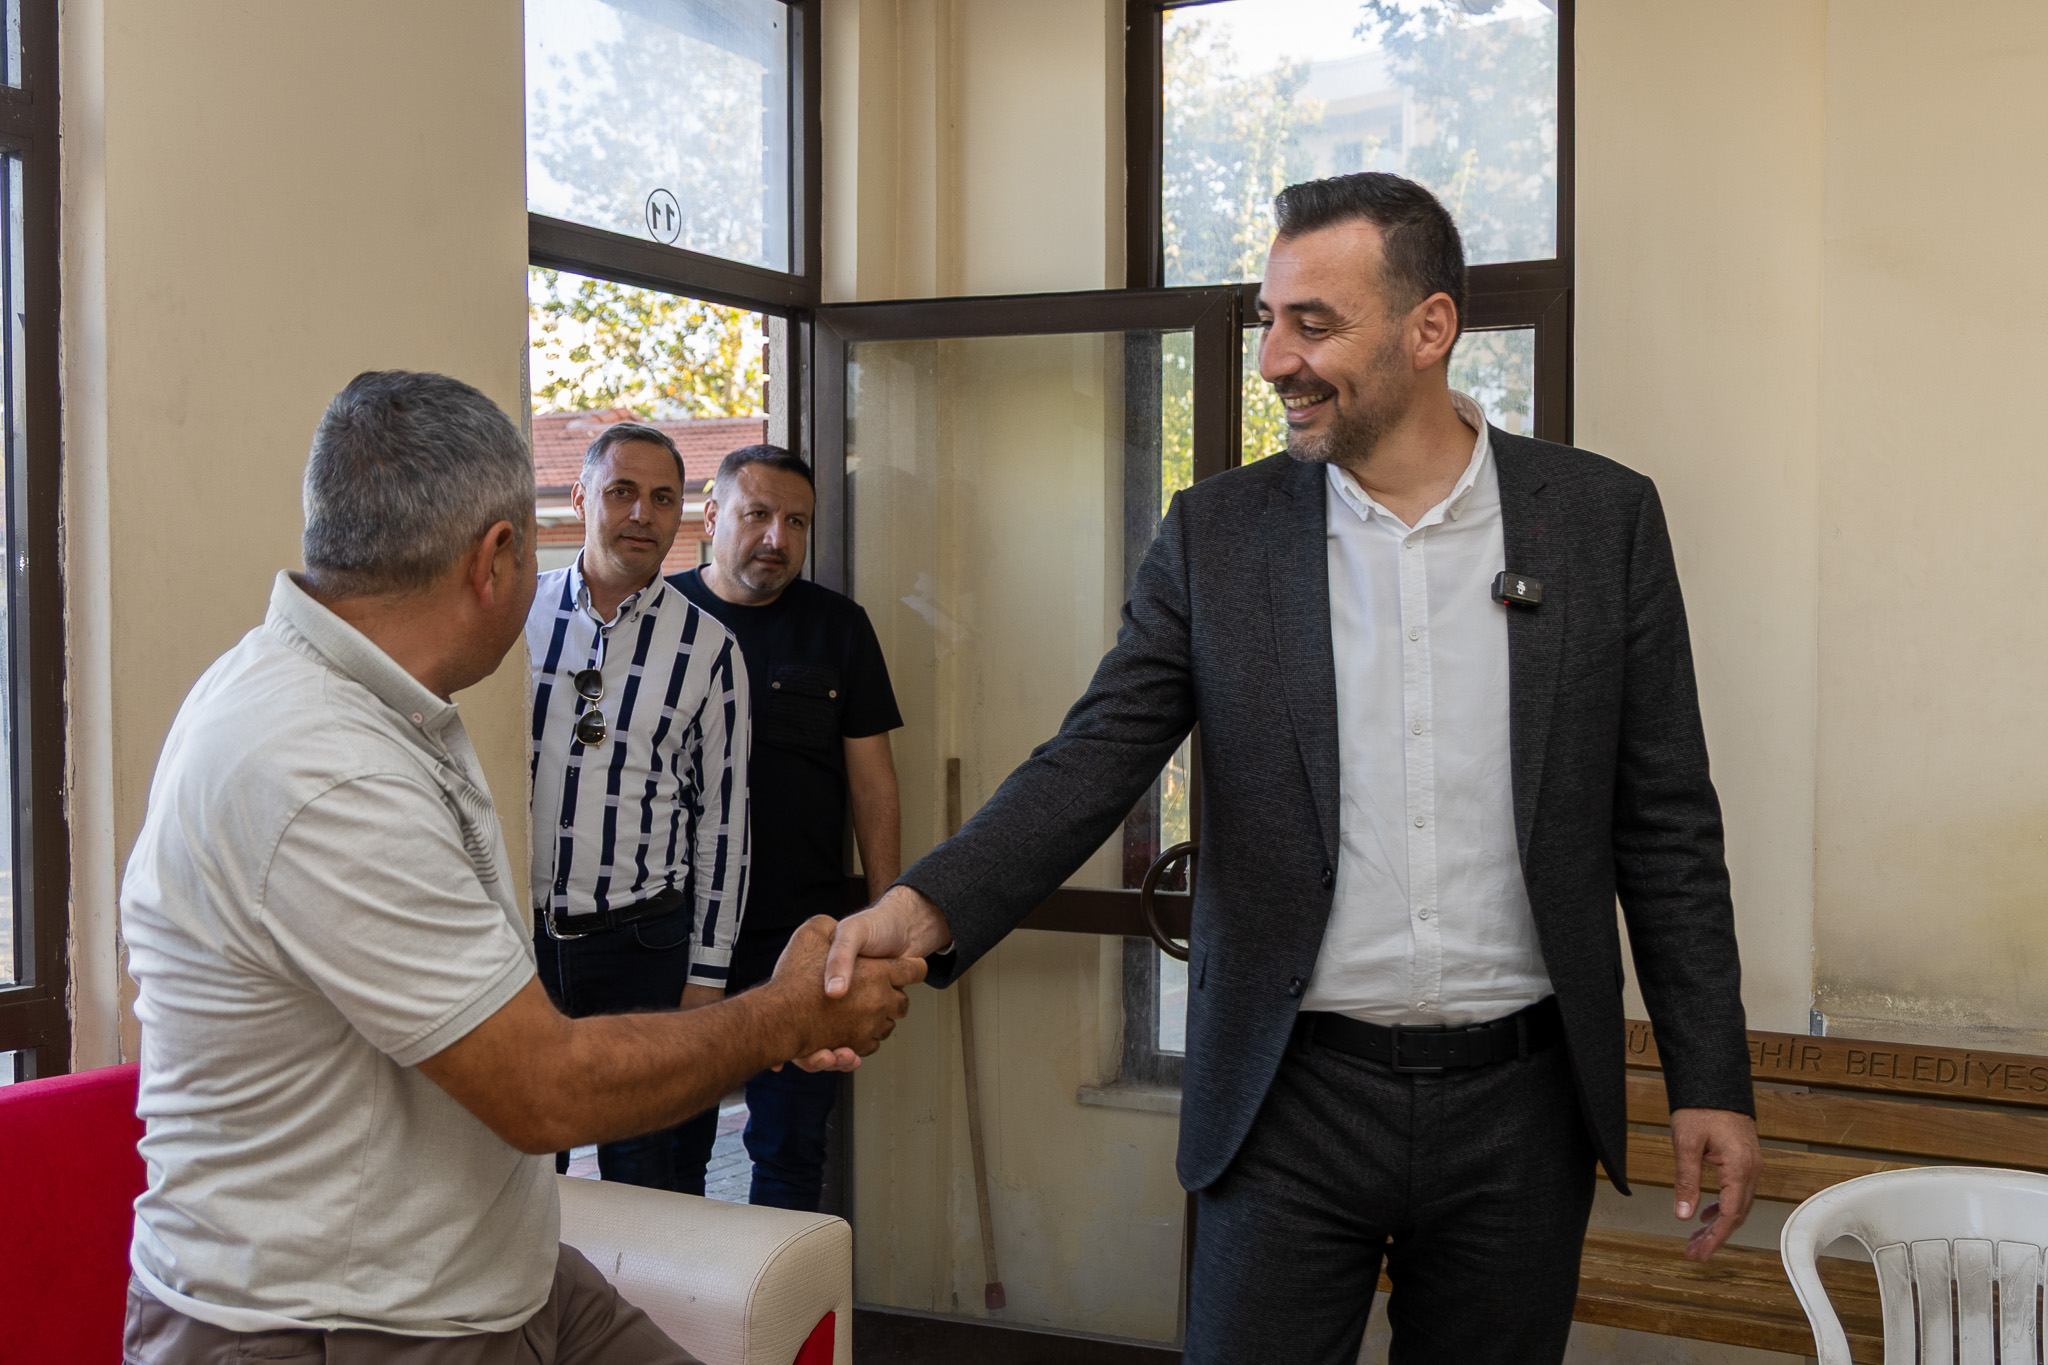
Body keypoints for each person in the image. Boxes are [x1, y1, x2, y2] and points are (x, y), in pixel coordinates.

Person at [821, 173, 1763, 1365]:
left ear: (1428, 329)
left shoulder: (1598, 521)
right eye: (1268, 320)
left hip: (1519, 1110)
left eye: (1311, 324)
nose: (1273, 359)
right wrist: (916, 908)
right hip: (1285, 1102)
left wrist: (1708, 1078)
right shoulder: (1217, 534)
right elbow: (1093, 759)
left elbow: (1665, 822)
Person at [119, 370, 921, 1364]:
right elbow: (545, 1090)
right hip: (335, 1324)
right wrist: (791, 1010)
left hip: (494, 1272)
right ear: (499, 558)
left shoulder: (382, 700)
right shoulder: (322, 768)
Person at [668, 445, 904, 1211]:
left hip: (800, 939)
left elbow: (873, 784)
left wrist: (883, 918)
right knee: (670, 1147)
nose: (777, 536)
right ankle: (682, 1326)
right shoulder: (660, 619)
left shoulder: (838, 628)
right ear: (712, 516)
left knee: (791, 1152)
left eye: (795, 521)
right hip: (673, 935)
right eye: (758, 514)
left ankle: (778, 1330)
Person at [527, 421, 750, 1192]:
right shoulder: (517, 617)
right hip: (518, 949)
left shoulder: (710, 647)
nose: (642, 514)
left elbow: (726, 822)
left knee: (647, 1180)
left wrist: (709, 978)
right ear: (582, 495)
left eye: (663, 498)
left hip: (643, 949)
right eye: (622, 491)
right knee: (518, 1173)